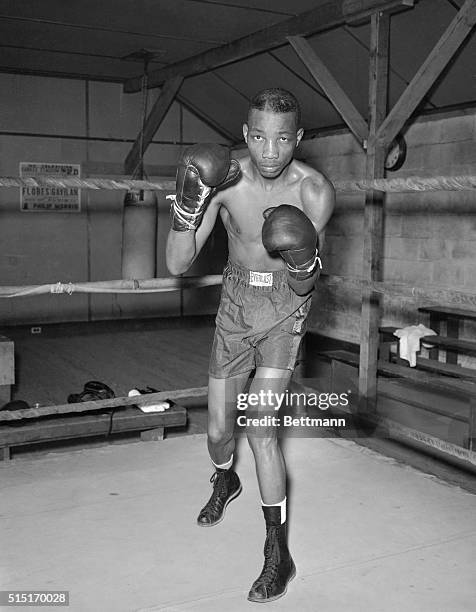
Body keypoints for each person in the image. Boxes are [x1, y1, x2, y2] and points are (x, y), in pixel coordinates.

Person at [166, 88, 335, 603]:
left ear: (297, 139)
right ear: (245, 135)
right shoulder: (224, 181)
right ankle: (224, 479)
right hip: (236, 304)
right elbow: (177, 265)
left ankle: (276, 554)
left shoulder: (316, 191)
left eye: (282, 139)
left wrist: (304, 262)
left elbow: (305, 284)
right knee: (219, 430)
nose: (269, 150)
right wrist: (186, 209)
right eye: (259, 136)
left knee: (262, 431)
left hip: (286, 310)